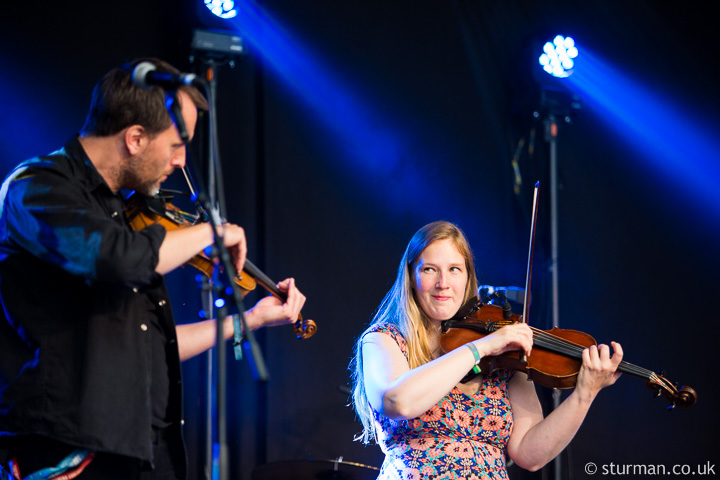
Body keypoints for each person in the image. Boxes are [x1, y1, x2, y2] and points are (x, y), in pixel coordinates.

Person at [0, 58, 306, 479]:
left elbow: (154, 347)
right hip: (65, 454)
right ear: (136, 138)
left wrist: (248, 319)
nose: (182, 162)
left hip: (138, 452)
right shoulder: (37, 187)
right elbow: (114, 257)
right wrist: (208, 232)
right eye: (177, 145)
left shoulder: (124, 212)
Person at [350, 221, 622, 479]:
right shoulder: (384, 340)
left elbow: (530, 454)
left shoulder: (504, 358)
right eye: (429, 269)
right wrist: (481, 346)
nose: (443, 282)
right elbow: (399, 402)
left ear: (468, 278)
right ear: (411, 277)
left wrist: (584, 394)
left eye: (455, 269)